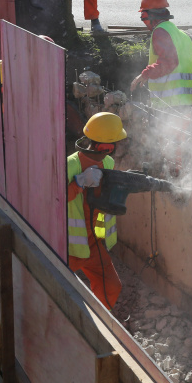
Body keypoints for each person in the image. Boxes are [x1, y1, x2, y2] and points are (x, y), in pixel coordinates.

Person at [66, 112, 126, 310]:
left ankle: (98, 325)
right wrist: (79, 183)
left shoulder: (108, 164)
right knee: (57, 287)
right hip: (67, 244)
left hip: (91, 242)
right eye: (112, 144)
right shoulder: (71, 164)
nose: (113, 149)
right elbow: (54, 200)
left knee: (111, 286)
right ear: (104, 145)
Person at [130, 0, 192, 109]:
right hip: (185, 101)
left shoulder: (160, 32)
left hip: (170, 103)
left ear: (151, 16)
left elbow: (170, 62)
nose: (143, 21)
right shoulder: (180, 34)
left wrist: (146, 74)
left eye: (143, 17)